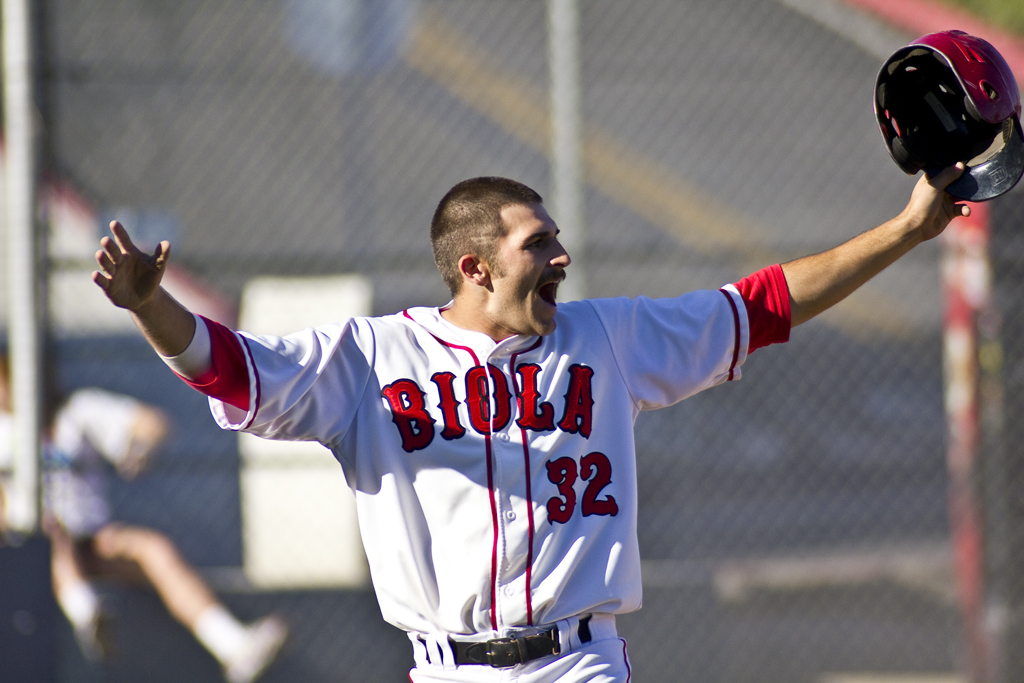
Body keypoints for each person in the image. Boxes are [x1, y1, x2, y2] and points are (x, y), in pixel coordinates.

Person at [91, 164, 969, 683]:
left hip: (579, 660)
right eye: (537, 244)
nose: (561, 256)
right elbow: (231, 367)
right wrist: (150, 307)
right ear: (474, 266)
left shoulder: (608, 338)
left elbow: (763, 306)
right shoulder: (371, 360)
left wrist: (905, 229)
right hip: (447, 665)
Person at [0, 356, 288, 683]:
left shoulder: (76, 412)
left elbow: (153, 423)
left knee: (153, 548)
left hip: (94, 540)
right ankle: (89, 614)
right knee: (49, 531)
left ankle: (233, 645)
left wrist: (138, 450)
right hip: (30, 547)